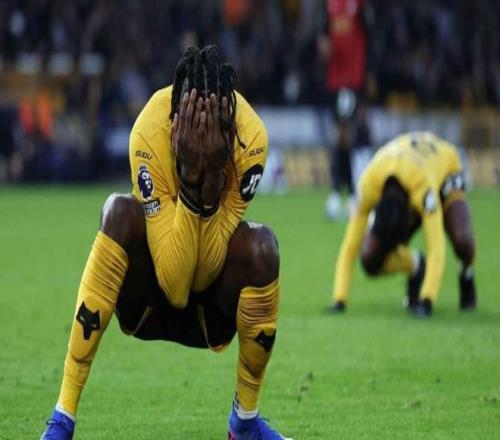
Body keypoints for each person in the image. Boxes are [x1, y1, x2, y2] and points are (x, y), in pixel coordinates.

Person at [41, 46, 290, 440]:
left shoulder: (250, 140)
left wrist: (209, 186)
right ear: (175, 120)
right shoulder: (148, 132)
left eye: (216, 128)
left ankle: (245, 421)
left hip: (212, 313)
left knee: (262, 248)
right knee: (119, 212)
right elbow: (174, 287)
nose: (204, 136)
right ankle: (62, 418)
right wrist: (192, 182)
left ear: (230, 122)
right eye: (193, 125)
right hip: (147, 302)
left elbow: (202, 275)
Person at [329, 131, 476, 317]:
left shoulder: (423, 189)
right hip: (402, 165)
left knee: (461, 238)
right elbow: (349, 248)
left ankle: (466, 272)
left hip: (444, 164)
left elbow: (436, 247)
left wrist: (427, 301)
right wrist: (339, 299)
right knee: (369, 256)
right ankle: (416, 265)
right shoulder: (367, 186)